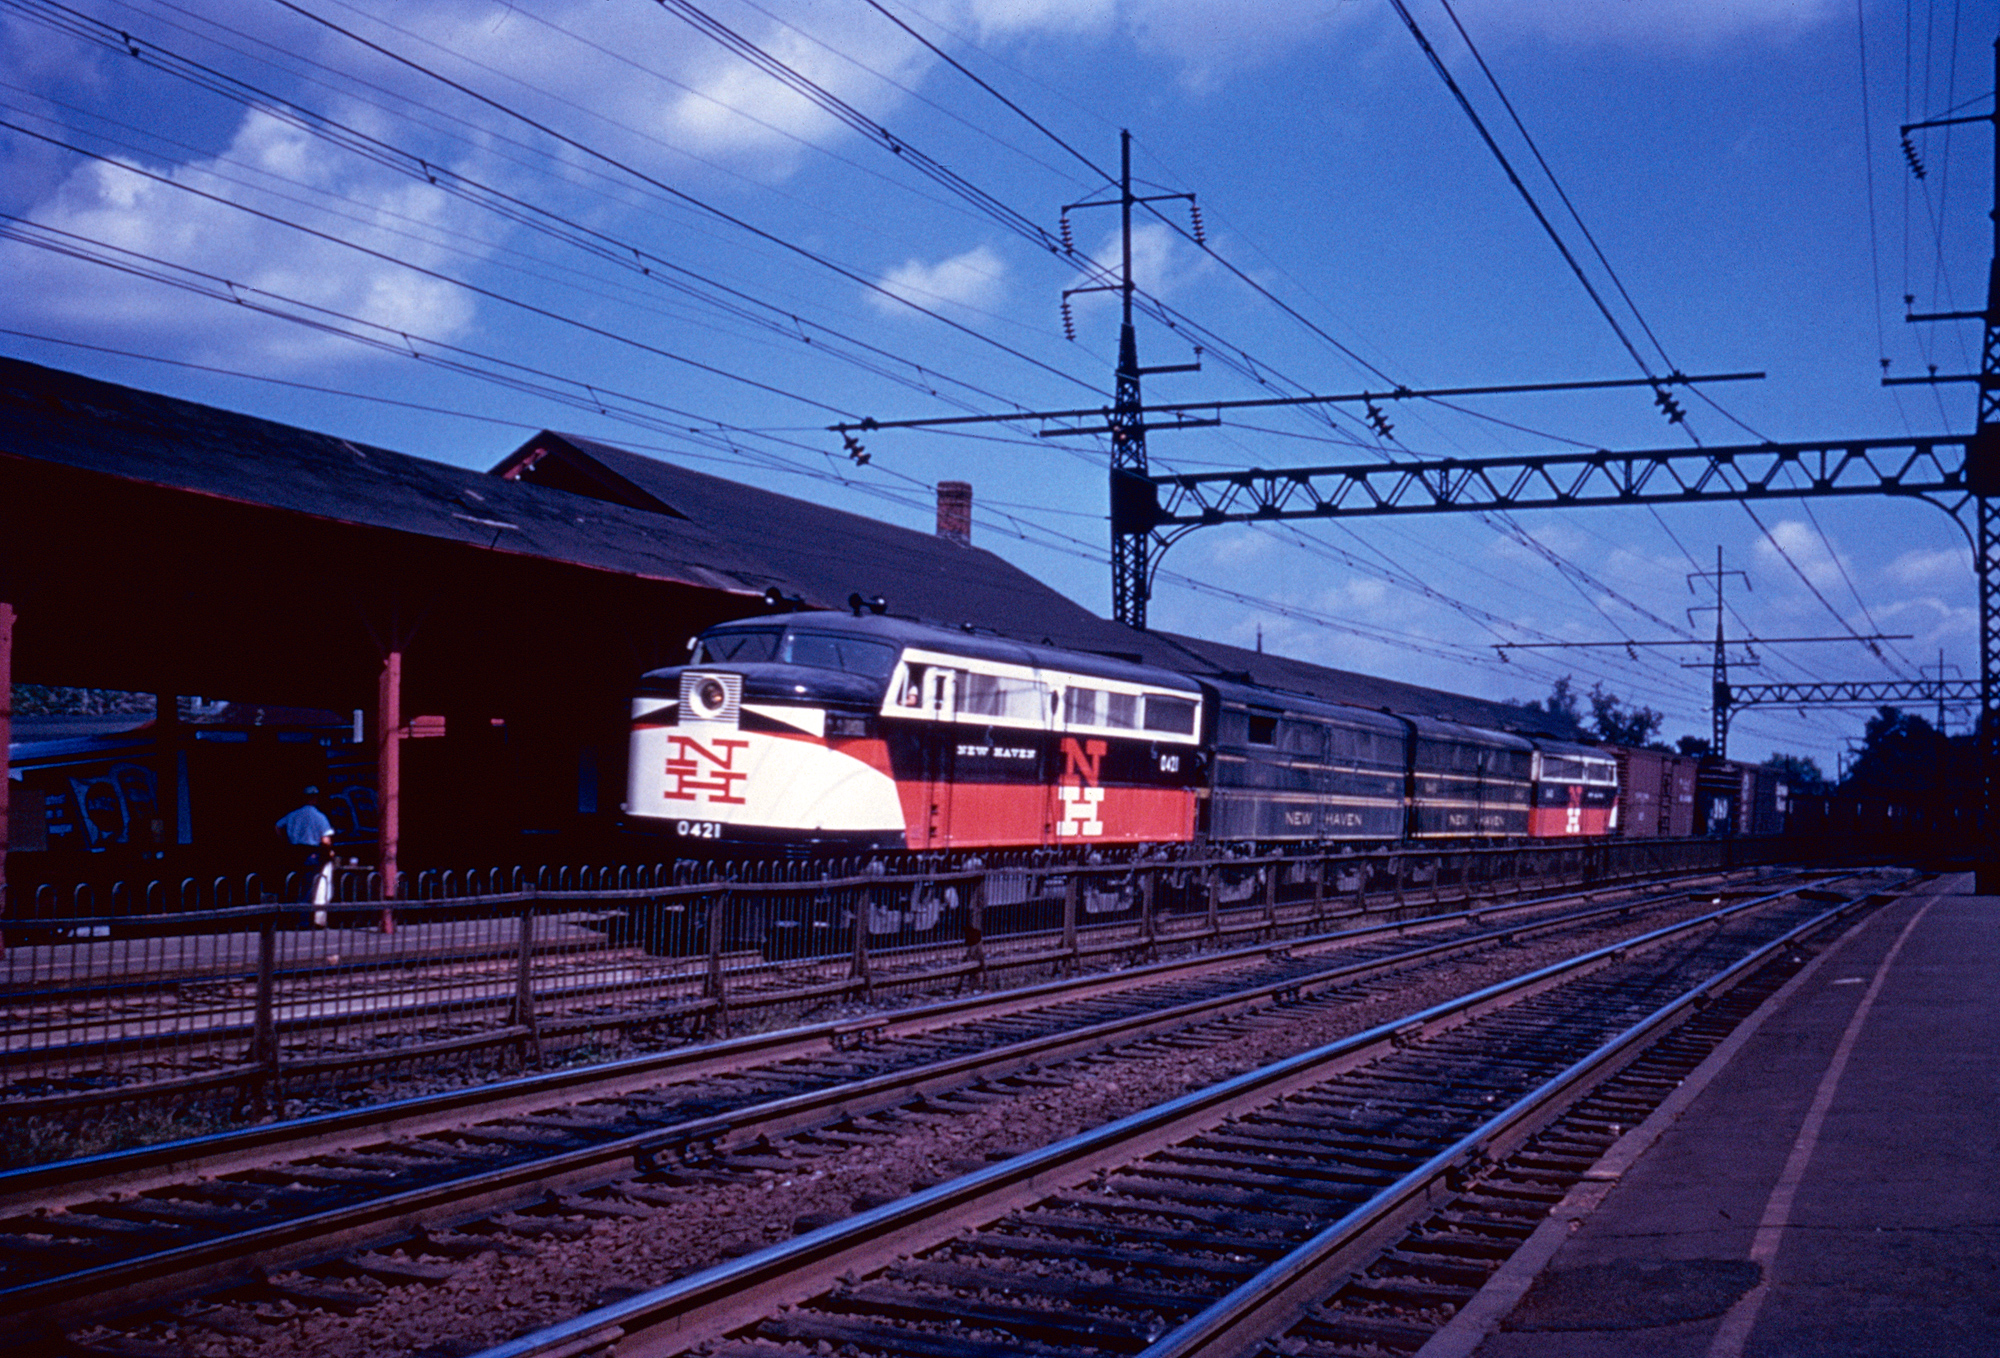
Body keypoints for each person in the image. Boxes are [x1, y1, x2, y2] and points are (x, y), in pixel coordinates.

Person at [275, 788, 336, 912]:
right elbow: (325, 840)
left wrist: (285, 841)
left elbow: (278, 826)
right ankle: (302, 919)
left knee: (293, 883)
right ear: (315, 799)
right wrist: (329, 850)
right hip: (310, 853)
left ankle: (290, 915)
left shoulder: (293, 815)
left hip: (294, 851)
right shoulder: (319, 817)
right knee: (308, 886)